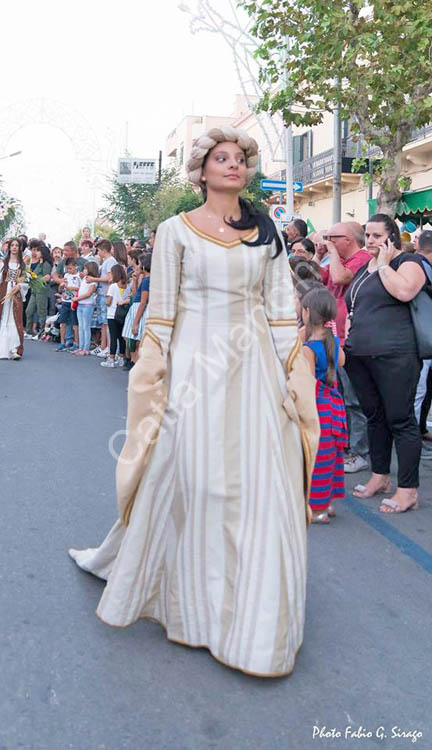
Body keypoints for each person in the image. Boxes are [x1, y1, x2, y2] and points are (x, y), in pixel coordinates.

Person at [69, 125, 319, 678]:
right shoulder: (174, 231)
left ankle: (250, 617)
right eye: (221, 158)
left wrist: (291, 374)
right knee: (195, 478)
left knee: (258, 483)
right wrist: (154, 371)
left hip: (253, 368)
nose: (233, 166)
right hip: (195, 368)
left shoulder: (266, 231)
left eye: (240, 159)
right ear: (202, 170)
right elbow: (161, 312)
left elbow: (280, 311)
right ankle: (188, 599)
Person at [345, 213, 427, 513]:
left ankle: (408, 490)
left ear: (392, 237)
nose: (370, 241)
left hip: (395, 355)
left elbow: (404, 292)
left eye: (377, 236)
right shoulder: (365, 268)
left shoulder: (407, 263)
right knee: (375, 418)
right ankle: (379, 477)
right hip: (360, 356)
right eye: (367, 235)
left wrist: (382, 264)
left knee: (400, 420)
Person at [319, 222, 371, 475]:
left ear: (348, 239)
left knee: (352, 399)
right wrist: (317, 257)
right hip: (332, 336)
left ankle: (359, 452)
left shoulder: (363, 258)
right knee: (336, 395)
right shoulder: (337, 259)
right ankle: (345, 445)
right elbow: (315, 279)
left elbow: (339, 278)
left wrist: (329, 251)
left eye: (332, 237)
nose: (327, 240)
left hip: (350, 339)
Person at [302, 287, 347, 523]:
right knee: (331, 455)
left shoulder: (309, 349)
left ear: (307, 313)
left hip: (317, 406)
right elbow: (342, 361)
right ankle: (327, 503)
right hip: (334, 406)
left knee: (315, 456)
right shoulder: (333, 341)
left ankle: (316, 509)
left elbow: (307, 382)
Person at [0, 238, 28, 359]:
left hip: (16, 293)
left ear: (20, 248)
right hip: (4, 292)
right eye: (13, 245)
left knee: (15, 319)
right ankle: (3, 348)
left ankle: (14, 349)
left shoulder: (23, 265)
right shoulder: (3, 263)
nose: (15, 247)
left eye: (17, 245)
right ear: (9, 247)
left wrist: (20, 285)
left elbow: (27, 280)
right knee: (3, 317)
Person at [122, 251, 151, 369]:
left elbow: (143, 302)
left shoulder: (146, 280)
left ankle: (137, 368)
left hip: (138, 309)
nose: (138, 266)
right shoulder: (145, 280)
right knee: (129, 337)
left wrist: (135, 323)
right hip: (136, 306)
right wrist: (135, 279)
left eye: (139, 264)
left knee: (134, 339)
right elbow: (135, 294)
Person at [87, 240, 116, 357]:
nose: (98, 252)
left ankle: (108, 347)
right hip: (101, 293)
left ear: (104, 250)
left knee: (106, 322)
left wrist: (94, 280)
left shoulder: (110, 261)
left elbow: (110, 278)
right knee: (103, 322)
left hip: (105, 293)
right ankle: (103, 345)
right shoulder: (106, 262)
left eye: (99, 250)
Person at [100, 264, 130, 368]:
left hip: (112, 314)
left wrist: (104, 301)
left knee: (113, 337)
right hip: (122, 314)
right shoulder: (126, 286)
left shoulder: (112, 286)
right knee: (121, 337)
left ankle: (111, 358)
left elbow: (108, 301)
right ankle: (121, 357)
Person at [24, 244, 52, 339]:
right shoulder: (40, 263)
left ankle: (42, 333)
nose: (37, 253)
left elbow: (47, 278)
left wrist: (36, 280)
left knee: (41, 312)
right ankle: (28, 331)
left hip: (42, 291)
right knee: (29, 311)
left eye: (39, 251)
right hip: (35, 290)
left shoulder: (46, 264)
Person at [55, 257, 80, 351]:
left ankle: (76, 342)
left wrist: (72, 288)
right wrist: (61, 287)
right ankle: (62, 342)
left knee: (74, 324)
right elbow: (61, 289)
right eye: (67, 268)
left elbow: (81, 288)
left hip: (74, 302)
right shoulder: (66, 275)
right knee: (62, 322)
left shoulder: (78, 276)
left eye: (71, 268)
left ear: (75, 267)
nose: (69, 270)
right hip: (65, 301)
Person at [74, 261, 99, 355]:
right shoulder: (84, 279)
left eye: (85, 269)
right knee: (81, 326)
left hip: (87, 305)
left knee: (86, 326)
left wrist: (77, 298)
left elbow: (89, 294)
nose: (84, 270)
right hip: (80, 304)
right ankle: (81, 347)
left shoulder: (93, 281)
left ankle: (86, 348)